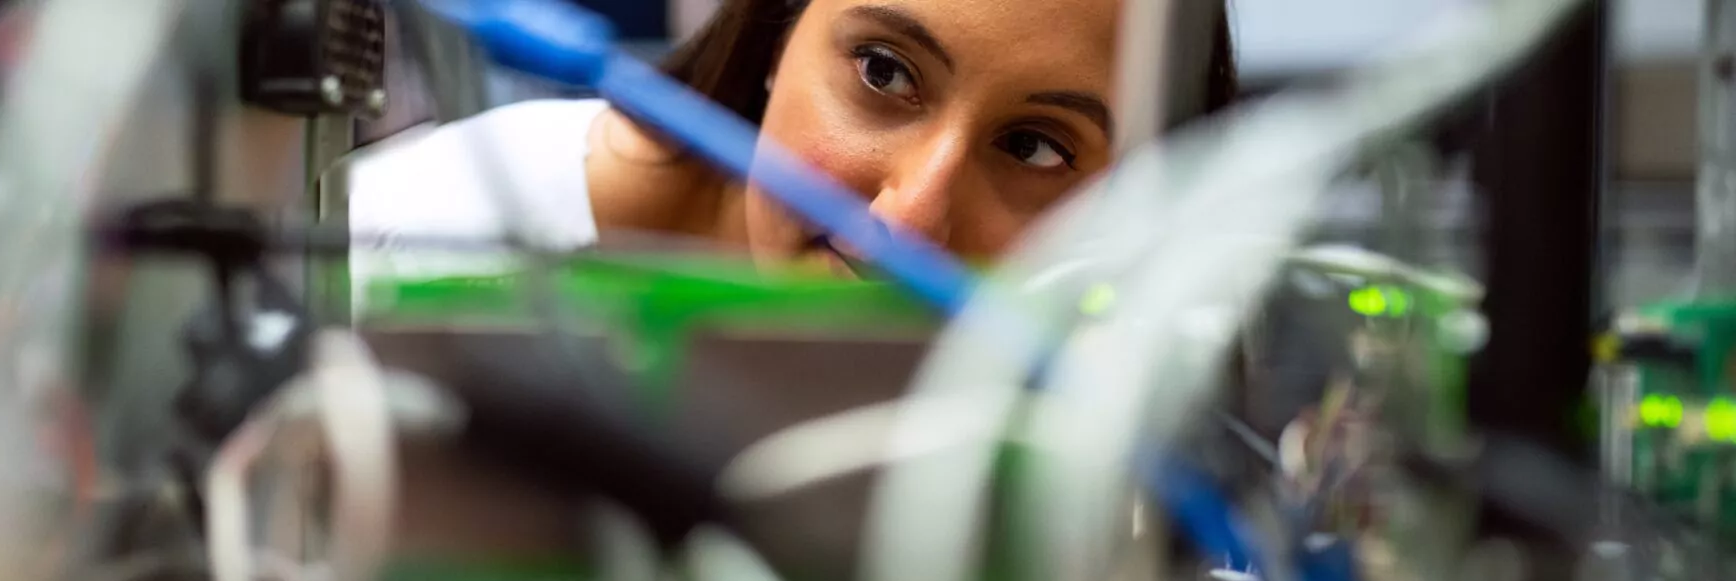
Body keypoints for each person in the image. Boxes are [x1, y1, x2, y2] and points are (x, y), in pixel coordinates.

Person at [347, 0, 1236, 292]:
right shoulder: (400, 249)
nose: (909, 218)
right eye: (884, 74)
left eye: (1035, 148)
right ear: (777, 38)